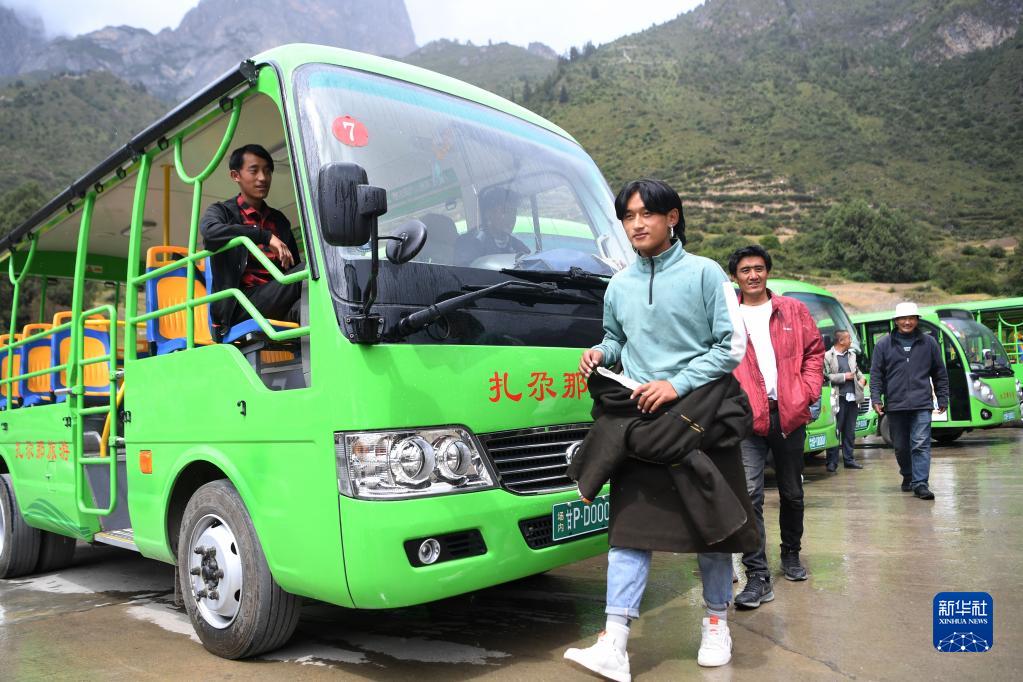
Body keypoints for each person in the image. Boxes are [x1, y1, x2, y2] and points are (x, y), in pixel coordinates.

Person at [563, 179, 751, 680]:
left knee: (712, 526)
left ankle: (716, 622)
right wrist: (600, 353)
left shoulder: (706, 273)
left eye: (646, 213)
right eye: (628, 216)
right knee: (629, 530)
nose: (636, 224)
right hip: (642, 420)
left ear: (673, 218)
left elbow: (731, 346)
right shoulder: (619, 285)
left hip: (701, 415)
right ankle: (614, 642)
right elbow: (616, 338)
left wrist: (676, 384)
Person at [728, 244, 824, 609]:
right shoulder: (727, 315)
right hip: (746, 419)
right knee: (749, 494)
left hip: (788, 414)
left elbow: (814, 352)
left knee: (792, 492)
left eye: (758, 268)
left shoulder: (793, 310)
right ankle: (758, 575)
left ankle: (791, 553)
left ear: (767, 271)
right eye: (745, 270)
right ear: (735, 277)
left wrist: (807, 391)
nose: (753, 275)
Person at [199, 144, 302, 335]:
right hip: (240, 305)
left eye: (267, 171)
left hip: (277, 298)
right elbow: (210, 233)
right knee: (310, 271)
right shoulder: (222, 212)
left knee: (311, 308)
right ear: (235, 175)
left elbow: (293, 265)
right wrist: (264, 236)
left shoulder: (279, 220)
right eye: (254, 171)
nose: (262, 178)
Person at [869, 302, 949, 500]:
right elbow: (876, 374)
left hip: (922, 403)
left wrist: (942, 397)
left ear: (917, 320)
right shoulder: (883, 344)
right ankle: (908, 475)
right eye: (903, 319)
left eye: (911, 318)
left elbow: (939, 372)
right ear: (896, 321)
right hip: (895, 404)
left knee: (920, 443)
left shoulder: (929, 343)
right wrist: (876, 397)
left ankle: (920, 484)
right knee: (901, 446)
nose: (907, 322)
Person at [823, 329, 866, 471]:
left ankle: (849, 459)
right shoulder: (827, 356)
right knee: (835, 430)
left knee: (850, 431)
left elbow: (857, 371)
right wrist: (843, 377)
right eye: (848, 338)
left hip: (853, 399)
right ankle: (832, 462)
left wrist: (862, 379)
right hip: (837, 399)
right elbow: (825, 376)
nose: (850, 341)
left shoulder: (852, 355)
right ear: (841, 341)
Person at [454, 186, 530, 265]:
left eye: (514, 213)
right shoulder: (469, 244)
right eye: (505, 212)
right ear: (488, 214)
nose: (511, 218)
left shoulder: (517, 245)